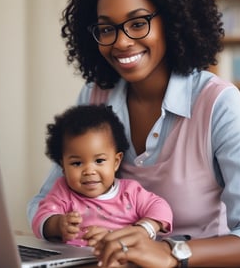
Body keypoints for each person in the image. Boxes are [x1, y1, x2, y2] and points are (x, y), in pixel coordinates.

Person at [28, 0, 240, 267]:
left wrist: (170, 254)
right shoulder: (95, 97)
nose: (122, 42)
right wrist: (60, 225)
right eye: (106, 29)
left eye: (138, 23)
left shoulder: (218, 103)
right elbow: (45, 201)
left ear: (173, 22)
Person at [32, 104, 173, 247]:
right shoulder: (63, 192)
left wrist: (144, 229)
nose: (89, 171)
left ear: (116, 162)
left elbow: (161, 208)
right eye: (77, 163)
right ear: (63, 166)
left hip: (123, 259)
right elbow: (40, 218)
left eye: (99, 161)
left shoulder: (129, 192)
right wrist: (58, 225)